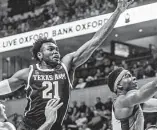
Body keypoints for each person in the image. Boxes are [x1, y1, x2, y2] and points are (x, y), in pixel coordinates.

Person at [0, 0, 134, 129]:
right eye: (50, 49)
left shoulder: (66, 65)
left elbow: (95, 41)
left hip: (54, 126)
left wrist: (117, 12)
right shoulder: (28, 73)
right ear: (40, 55)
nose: (56, 52)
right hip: (28, 127)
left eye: (56, 49)